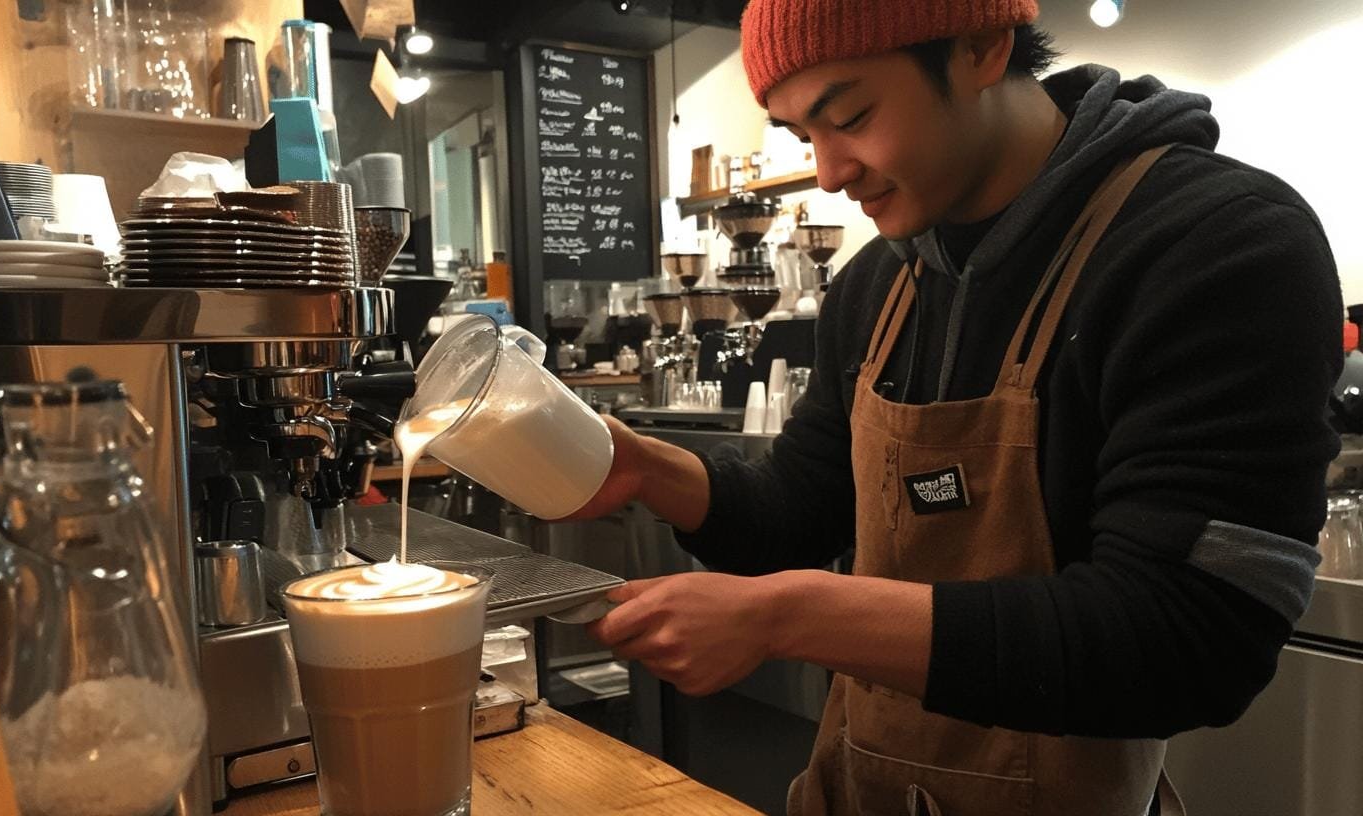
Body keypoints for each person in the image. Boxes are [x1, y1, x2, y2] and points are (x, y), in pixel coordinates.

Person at [570, 0, 1343, 814]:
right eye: (806, 138)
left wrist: (787, 618)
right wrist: (644, 467)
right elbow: (798, 509)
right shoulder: (877, 283)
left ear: (980, 46)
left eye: (851, 117)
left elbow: (1187, 638)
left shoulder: (1215, 244)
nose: (830, 172)